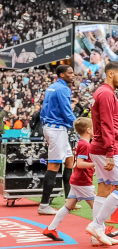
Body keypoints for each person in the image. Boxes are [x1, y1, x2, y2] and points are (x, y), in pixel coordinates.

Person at [86, 61, 118, 246]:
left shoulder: (103, 92)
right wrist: (111, 152)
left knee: (104, 188)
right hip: (106, 148)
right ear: (111, 74)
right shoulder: (105, 93)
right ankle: (96, 226)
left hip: (99, 146)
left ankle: (96, 234)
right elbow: (106, 124)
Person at [43, 117, 96, 242]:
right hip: (83, 181)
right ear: (88, 130)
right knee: (97, 206)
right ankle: (98, 232)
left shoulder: (82, 143)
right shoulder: (85, 145)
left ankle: (51, 228)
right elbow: (80, 164)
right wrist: (95, 164)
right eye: (94, 128)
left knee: (68, 206)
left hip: (77, 180)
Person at [38, 65, 76, 216]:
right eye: (70, 73)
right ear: (61, 74)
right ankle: (44, 204)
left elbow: (43, 110)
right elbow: (67, 110)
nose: (73, 75)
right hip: (57, 129)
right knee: (53, 166)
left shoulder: (51, 88)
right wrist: (78, 125)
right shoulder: (63, 89)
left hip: (52, 127)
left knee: (69, 160)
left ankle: (69, 200)